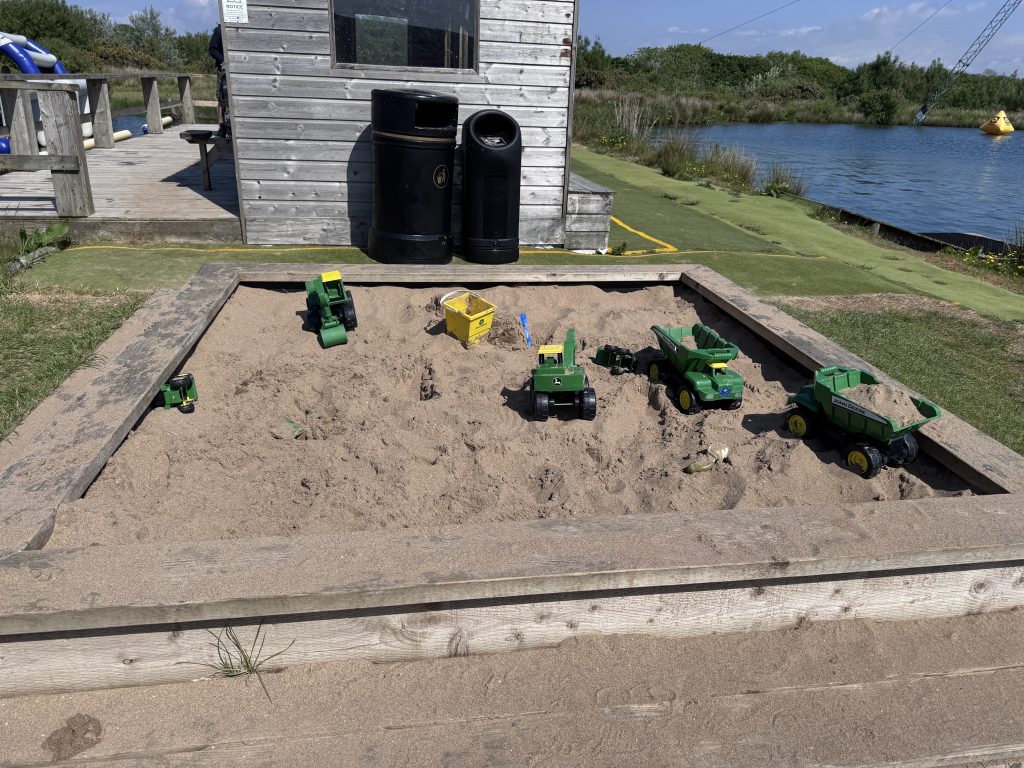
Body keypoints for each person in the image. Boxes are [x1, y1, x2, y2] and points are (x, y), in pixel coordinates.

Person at [209, 24, 230, 138]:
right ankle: (222, 127)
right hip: (223, 71)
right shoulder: (219, 30)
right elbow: (212, 49)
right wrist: (222, 61)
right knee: (221, 99)